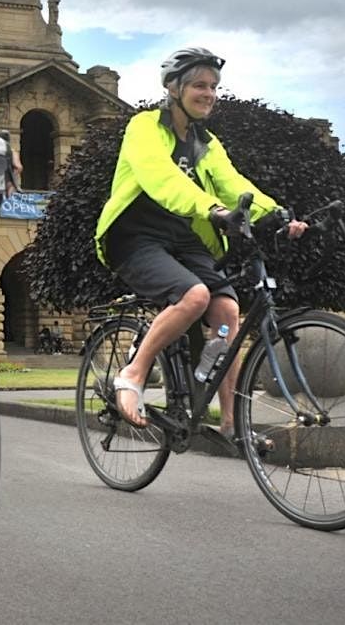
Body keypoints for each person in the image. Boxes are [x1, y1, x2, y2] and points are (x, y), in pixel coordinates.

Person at [94, 47, 307, 437]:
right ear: (174, 88)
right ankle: (133, 374)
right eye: (199, 85)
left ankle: (232, 425)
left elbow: (233, 184)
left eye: (213, 86)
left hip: (183, 237)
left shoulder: (207, 144)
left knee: (227, 313)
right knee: (194, 297)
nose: (208, 93)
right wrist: (211, 209)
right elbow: (162, 178)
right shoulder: (143, 127)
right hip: (135, 236)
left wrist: (276, 213)